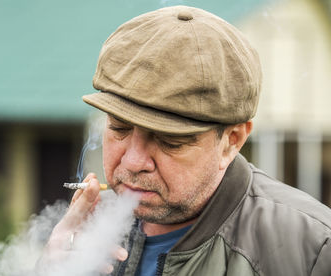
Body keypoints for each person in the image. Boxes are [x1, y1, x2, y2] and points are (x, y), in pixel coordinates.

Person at [44, 5, 331, 275]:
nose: (133, 162)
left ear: (232, 140)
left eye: (170, 141)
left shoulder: (313, 249)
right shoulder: (82, 231)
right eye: (119, 128)